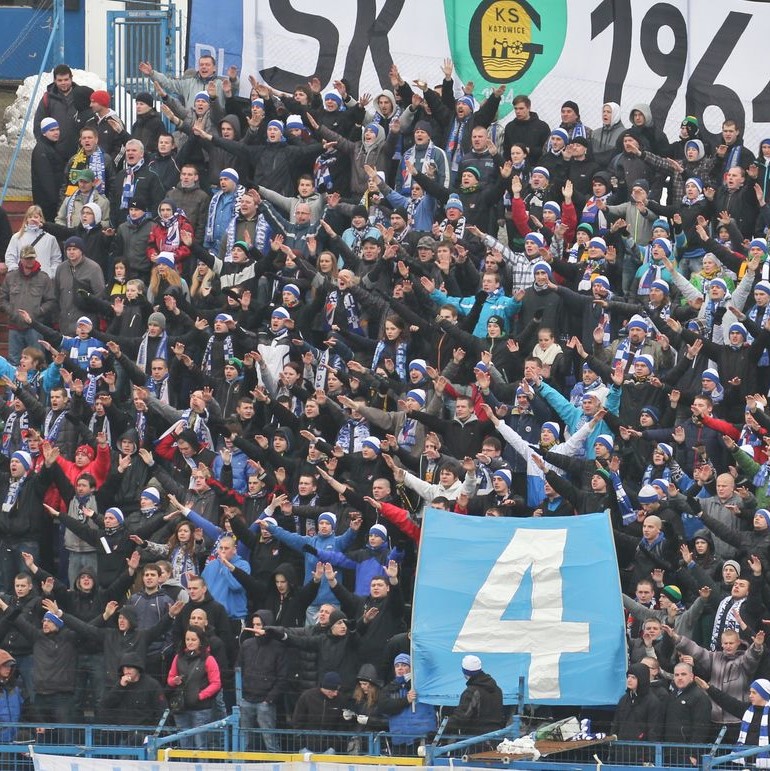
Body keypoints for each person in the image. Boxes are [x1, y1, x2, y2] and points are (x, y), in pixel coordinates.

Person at [237, 610, 287, 752]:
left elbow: (282, 677)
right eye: (254, 624)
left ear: (267, 625)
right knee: (243, 741)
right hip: (246, 699)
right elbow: (238, 669)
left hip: (265, 701)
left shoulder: (278, 647)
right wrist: (240, 696)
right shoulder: (246, 644)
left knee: (270, 741)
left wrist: (269, 699)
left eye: (259, 625)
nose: (255, 628)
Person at [167, 625, 222, 748]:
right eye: (187, 639)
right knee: (184, 744)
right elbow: (170, 678)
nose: (190, 642)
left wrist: (201, 696)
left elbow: (216, 683)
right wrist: (174, 681)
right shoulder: (178, 657)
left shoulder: (209, 659)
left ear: (200, 641)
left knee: (200, 745)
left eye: (193, 640)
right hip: (181, 708)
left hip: (201, 709)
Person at [100, 653, 167, 735]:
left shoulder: (152, 684)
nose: (126, 671)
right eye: (124, 668)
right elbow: (106, 704)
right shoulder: (119, 684)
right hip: (123, 732)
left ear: (137, 668)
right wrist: (120, 687)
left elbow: (161, 709)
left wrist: (153, 733)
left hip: (144, 732)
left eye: (130, 668)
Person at [444, 655, 505, 736]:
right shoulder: (497, 689)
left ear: (465, 672)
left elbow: (461, 717)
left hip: (476, 739)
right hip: (496, 736)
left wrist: (443, 727)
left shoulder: (472, 692)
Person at [292, 670, 347, 753]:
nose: (335, 694)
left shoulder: (341, 700)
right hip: (307, 748)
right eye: (331, 691)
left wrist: (334, 747)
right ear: (323, 688)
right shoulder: (307, 697)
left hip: (330, 749)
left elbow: (341, 726)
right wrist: (301, 747)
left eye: (337, 691)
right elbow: (297, 723)